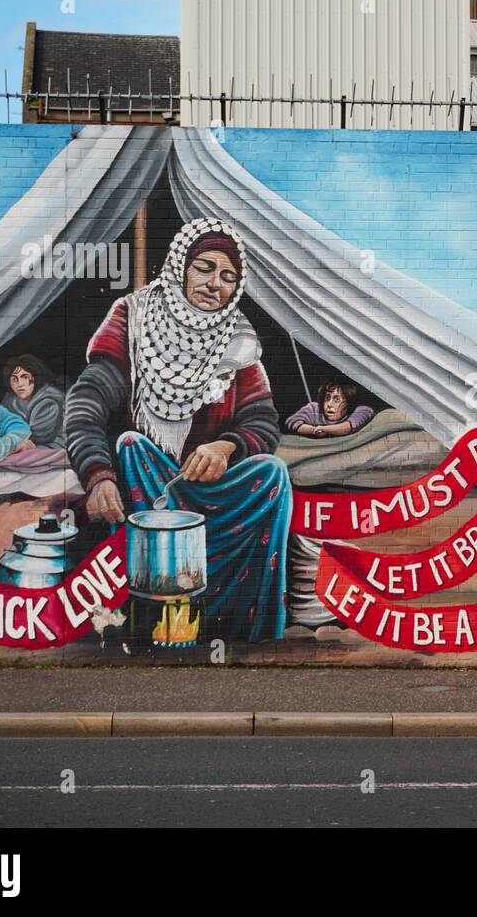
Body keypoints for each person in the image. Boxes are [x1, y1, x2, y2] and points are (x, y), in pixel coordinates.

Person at [65, 218, 292, 643]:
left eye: (228, 277)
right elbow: (86, 403)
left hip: (210, 490)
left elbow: (263, 421)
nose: (215, 284)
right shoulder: (132, 317)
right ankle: (154, 619)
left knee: (272, 472)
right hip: (145, 486)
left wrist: (226, 447)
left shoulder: (239, 338)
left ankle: (240, 630)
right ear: (180, 266)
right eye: (204, 268)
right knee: (131, 444)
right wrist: (97, 476)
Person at [1, 354, 67, 449]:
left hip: (53, 449)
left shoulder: (49, 401)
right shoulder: (11, 402)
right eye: (14, 379)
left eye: (25, 377)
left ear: (35, 377)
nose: (20, 384)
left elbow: (38, 438)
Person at [285, 378, 374, 437]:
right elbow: (292, 422)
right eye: (327, 398)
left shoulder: (361, 410)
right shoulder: (313, 409)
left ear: (348, 402)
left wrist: (324, 429)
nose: (329, 404)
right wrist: (313, 430)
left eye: (336, 400)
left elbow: (349, 426)